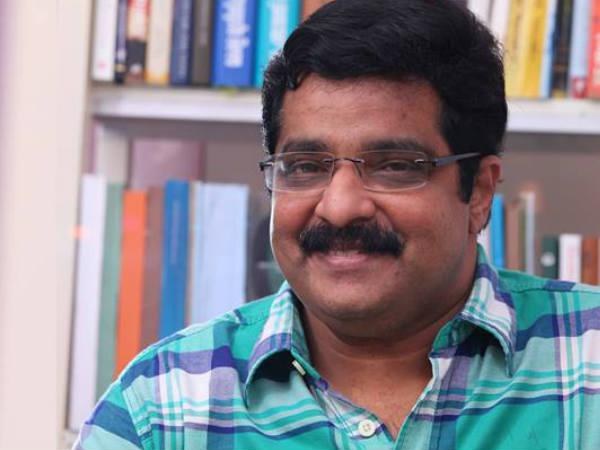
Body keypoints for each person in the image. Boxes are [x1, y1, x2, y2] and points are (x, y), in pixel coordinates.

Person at [75, 1, 600, 449]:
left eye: (395, 166)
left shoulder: (589, 364)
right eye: (305, 167)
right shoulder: (160, 412)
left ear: (480, 191)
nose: (340, 207)